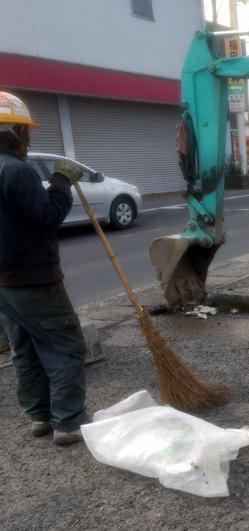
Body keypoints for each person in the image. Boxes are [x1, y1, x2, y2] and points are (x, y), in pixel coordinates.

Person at [0, 91, 90, 445]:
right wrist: (61, 183)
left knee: (26, 346)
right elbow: (46, 216)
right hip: (33, 278)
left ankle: (40, 417)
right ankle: (68, 422)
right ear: (16, 133)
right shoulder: (16, 171)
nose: (28, 138)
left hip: (4, 284)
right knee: (65, 344)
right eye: (27, 131)